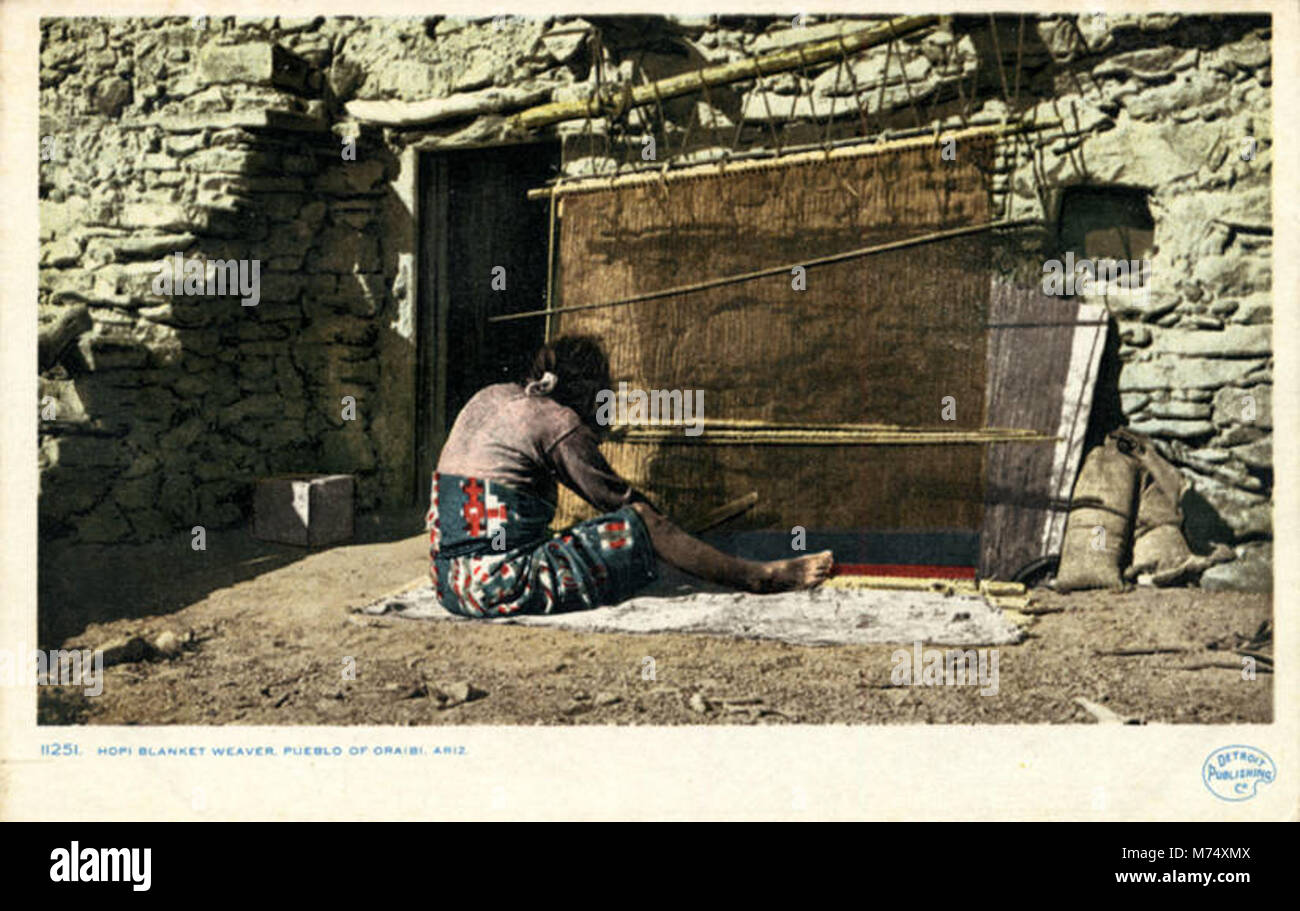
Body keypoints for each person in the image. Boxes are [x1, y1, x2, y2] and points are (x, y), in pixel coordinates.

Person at [428, 335, 834, 617]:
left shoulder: (492, 395)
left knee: (601, 535)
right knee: (641, 522)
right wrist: (670, 534)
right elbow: (623, 505)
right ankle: (760, 577)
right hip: (498, 586)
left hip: (450, 583)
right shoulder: (557, 420)